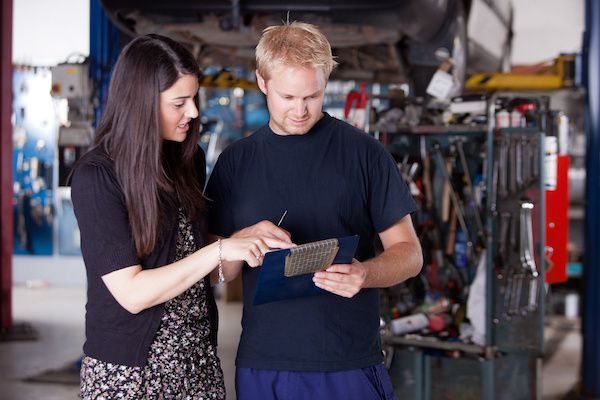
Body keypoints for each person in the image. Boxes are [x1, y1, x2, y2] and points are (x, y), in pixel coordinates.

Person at [205, 21, 423, 400]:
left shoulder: (365, 154)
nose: (301, 110)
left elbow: (410, 254)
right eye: (288, 97)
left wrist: (365, 273)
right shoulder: (235, 162)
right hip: (265, 363)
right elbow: (212, 274)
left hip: (348, 360)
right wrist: (239, 242)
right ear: (262, 82)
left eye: (313, 96)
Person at [70, 34, 291, 399]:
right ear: (140, 103)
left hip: (196, 361)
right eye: (179, 102)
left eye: (194, 98)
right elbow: (132, 293)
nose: (193, 112)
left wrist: (243, 240)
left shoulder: (188, 160)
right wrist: (219, 252)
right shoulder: (97, 177)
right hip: (130, 373)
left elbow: (202, 263)